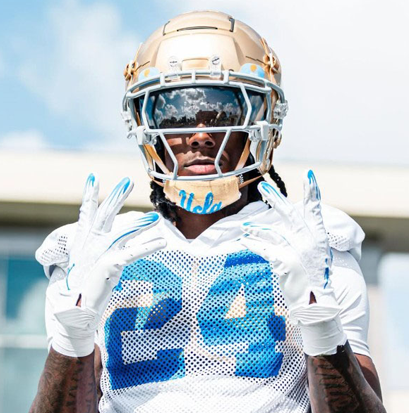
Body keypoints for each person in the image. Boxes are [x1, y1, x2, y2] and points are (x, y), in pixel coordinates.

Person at [30, 10, 386, 413]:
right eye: (175, 114)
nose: (199, 134)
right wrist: (72, 339)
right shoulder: (98, 249)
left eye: (223, 112)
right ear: (146, 125)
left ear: (263, 121)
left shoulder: (311, 244)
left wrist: (322, 328)